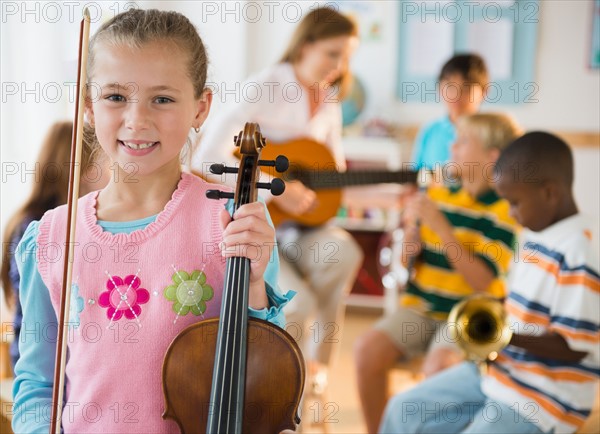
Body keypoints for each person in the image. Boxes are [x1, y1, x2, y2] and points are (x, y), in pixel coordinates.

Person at [11, 9, 291, 433]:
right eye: (115, 97)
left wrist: (254, 286)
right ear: (87, 106)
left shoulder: (231, 221)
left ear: (201, 108)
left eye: (162, 99)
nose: (137, 120)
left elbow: (266, 375)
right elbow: (36, 385)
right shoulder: (51, 238)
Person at [193, 6, 363, 401]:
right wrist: (275, 187)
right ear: (305, 45)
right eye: (333, 53)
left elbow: (334, 181)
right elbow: (207, 159)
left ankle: (315, 370)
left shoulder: (330, 102)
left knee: (344, 252)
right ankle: (275, 393)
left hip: (301, 230)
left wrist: (399, 192)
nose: (340, 66)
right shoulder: (268, 85)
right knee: (298, 306)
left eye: (347, 57)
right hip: (259, 223)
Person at [380, 131, 600, 434]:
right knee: (401, 411)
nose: (511, 213)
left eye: (515, 203)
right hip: (499, 376)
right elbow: (524, 306)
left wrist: (502, 337)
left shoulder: (581, 249)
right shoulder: (537, 231)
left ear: (550, 193)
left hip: (545, 399)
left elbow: (575, 346)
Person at [355, 113, 522, 433]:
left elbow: (483, 281)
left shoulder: (505, 210)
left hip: (467, 318)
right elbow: (404, 268)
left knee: (439, 370)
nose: (452, 146)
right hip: (420, 309)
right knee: (365, 351)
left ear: (492, 157)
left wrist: (442, 229)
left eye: (463, 142)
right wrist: (408, 247)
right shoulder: (439, 194)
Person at [1, 120, 108, 371]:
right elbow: (37, 309)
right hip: (40, 363)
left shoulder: (31, 216)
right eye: (104, 161)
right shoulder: (39, 226)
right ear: (86, 169)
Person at [411, 53, 489, 171]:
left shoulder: (492, 133)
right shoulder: (430, 131)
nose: (455, 95)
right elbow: (416, 179)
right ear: (439, 88)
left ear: (484, 91)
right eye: (450, 87)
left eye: (466, 88)